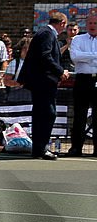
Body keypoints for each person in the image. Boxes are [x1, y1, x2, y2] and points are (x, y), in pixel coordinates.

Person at [18, 12, 70, 159]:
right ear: (62, 24)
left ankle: (39, 148)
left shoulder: (44, 33)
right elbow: (45, 56)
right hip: (43, 81)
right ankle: (41, 148)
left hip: (42, 81)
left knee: (43, 114)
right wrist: (60, 71)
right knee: (47, 114)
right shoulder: (47, 34)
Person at [66, 11, 97, 157]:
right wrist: (95, 56)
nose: (92, 26)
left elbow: (80, 57)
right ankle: (76, 148)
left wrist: (86, 58)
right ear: (86, 24)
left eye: (95, 23)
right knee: (79, 116)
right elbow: (75, 57)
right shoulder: (78, 39)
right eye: (90, 23)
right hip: (83, 80)